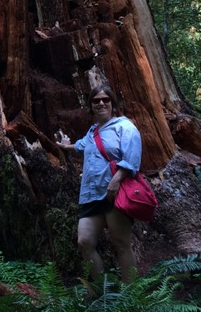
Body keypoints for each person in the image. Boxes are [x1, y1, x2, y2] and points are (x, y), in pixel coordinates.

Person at [55, 85, 141, 283]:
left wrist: (116, 180)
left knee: (121, 244)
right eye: (96, 100)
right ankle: (104, 294)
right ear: (91, 106)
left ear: (112, 104)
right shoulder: (93, 130)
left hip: (114, 193)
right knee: (84, 242)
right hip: (91, 195)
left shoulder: (125, 127)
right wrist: (64, 146)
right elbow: (81, 146)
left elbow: (132, 157)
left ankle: (133, 297)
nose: (101, 103)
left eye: (105, 100)